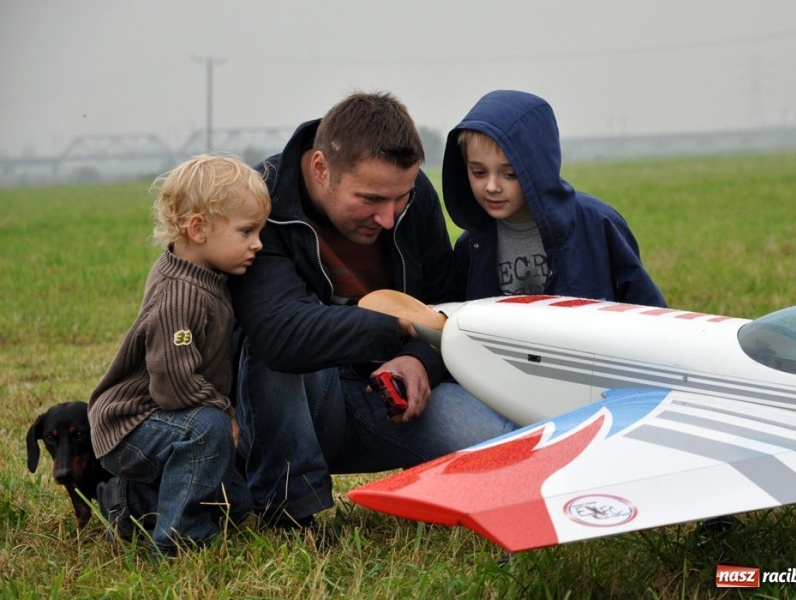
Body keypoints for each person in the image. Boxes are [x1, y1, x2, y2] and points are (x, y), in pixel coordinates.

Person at [229, 91, 515, 529]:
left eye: (398, 199)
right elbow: (278, 333)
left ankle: (429, 489)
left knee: (497, 445)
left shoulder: (412, 193)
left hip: (384, 396)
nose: (388, 217)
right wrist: (394, 326)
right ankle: (288, 510)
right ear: (322, 168)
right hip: (288, 406)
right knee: (279, 348)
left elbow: (444, 307)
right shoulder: (259, 200)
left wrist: (418, 359)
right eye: (370, 199)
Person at [88, 154, 271, 557]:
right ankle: (178, 541)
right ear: (199, 228)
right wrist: (224, 412)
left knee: (236, 507)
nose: (258, 243)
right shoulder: (180, 294)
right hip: (131, 423)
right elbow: (173, 385)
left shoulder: (201, 272)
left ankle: (131, 507)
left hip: (167, 416)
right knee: (207, 429)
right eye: (247, 231)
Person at [442, 89, 667, 306]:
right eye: (479, 172)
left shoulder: (598, 224)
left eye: (510, 174)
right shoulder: (471, 246)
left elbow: (648, 311)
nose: (492, 186)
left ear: (539, 168)